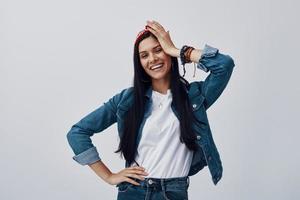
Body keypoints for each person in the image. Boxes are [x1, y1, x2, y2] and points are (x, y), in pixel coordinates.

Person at [66, 20, 235, 200]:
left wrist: (176, 50)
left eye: (158, 50)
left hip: (173, 192)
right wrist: (109, 176)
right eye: (144, 55)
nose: (152, 59)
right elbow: (77, 133)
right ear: (139, 62)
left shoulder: (193, 96)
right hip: (134, 192)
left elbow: (224, 65)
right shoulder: (126, 100)